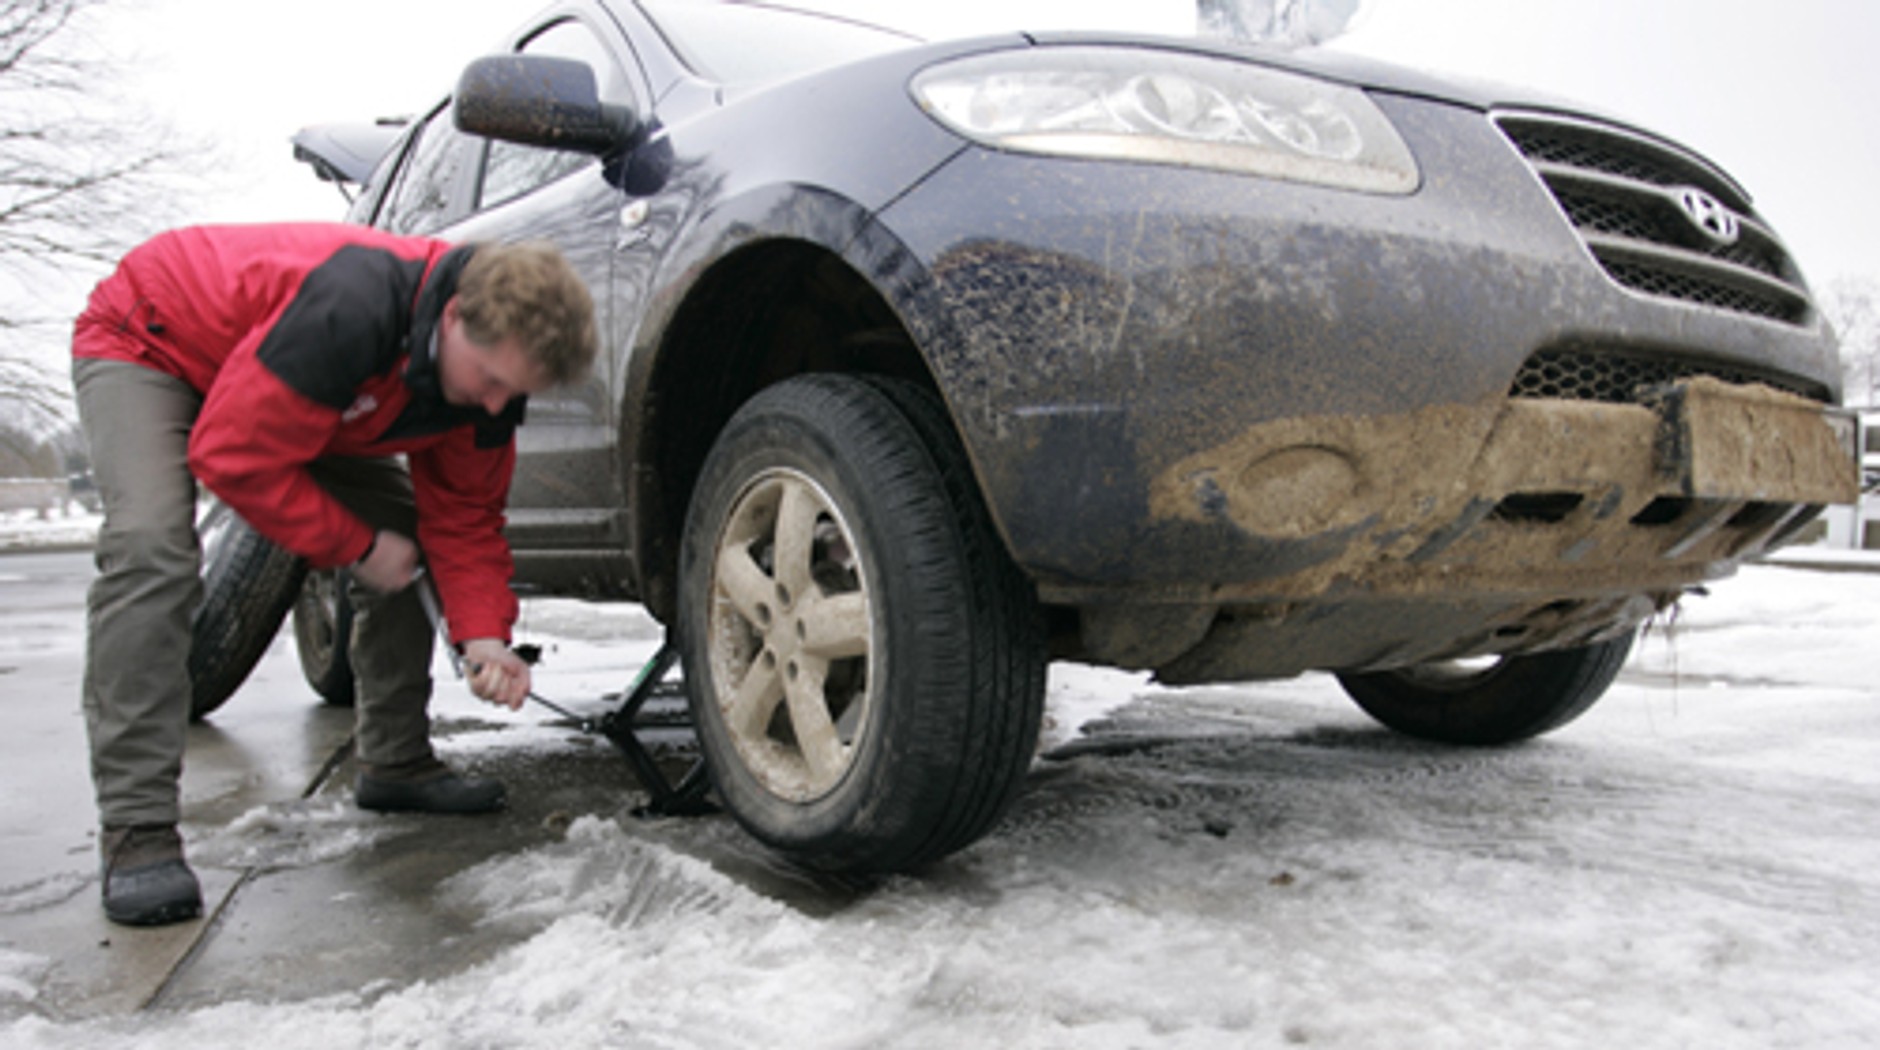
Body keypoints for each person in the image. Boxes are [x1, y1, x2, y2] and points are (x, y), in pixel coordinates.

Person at [70, 223, 598, 927]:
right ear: (452, 318)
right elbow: (233, 454)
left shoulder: (486, 387)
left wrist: (485, 640)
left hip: (296, 397)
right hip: (158, 343)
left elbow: (466, 518)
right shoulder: (351, 308)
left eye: (516, 392)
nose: (498, 404)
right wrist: (353, 543)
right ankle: (137, 828)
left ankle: (394, 762)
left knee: (407, 536)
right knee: (151, 548)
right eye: (493, 380)